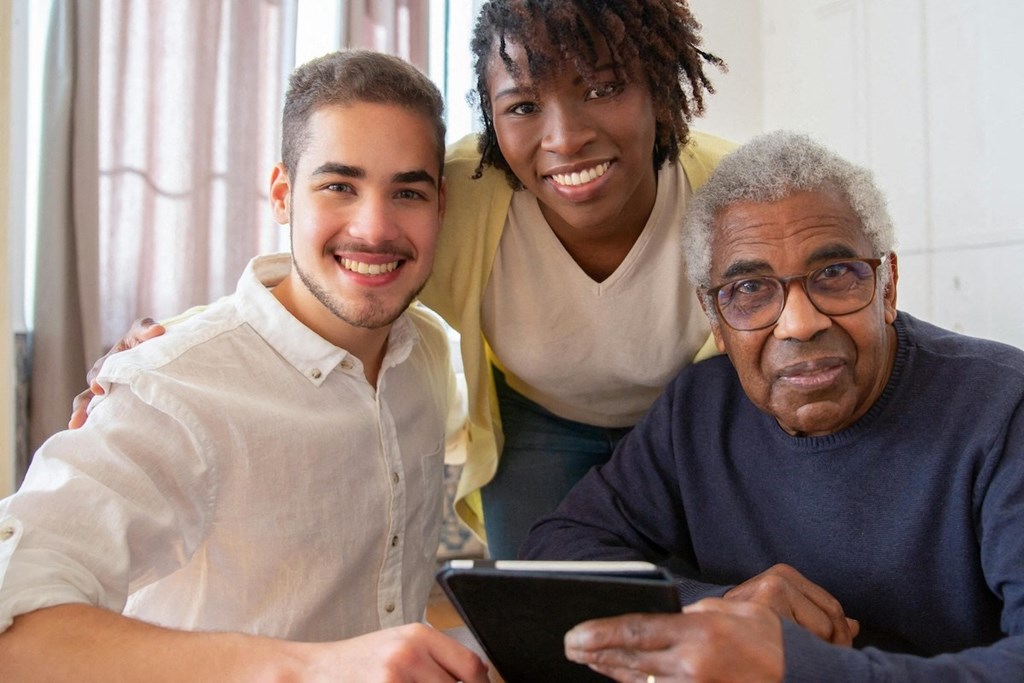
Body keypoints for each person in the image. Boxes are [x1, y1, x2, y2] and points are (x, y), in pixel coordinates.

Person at [70, 0, 736, 560]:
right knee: (546, 615)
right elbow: (329, 277)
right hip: (541, 421)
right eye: (524, 106)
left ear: (660, 88)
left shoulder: (733, 194)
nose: (564, 137)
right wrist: (164, 346)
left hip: (691, 417)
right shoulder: (459, 195)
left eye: (602, 88)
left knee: (703, 597)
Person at [0, 50, 489, 682]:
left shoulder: (422, 352)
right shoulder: (169, 386)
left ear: (442, 206)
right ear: (283, 195)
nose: (375, 226)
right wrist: (306, 669)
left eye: (407, 192)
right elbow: (14, 627)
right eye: (339, 186)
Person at [520, 130, 1024, 681]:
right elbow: (558, 551)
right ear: (713, 318)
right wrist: (717, 607)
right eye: (750, 288)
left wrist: (794, 667)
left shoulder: (1003, 408)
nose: (801, 323)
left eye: (834, 275)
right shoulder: (698, 411)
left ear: (888, 286)